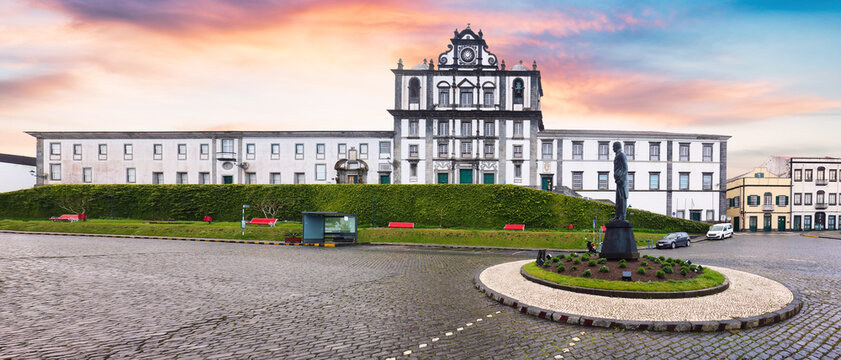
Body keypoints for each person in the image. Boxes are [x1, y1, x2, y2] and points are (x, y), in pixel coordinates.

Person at [613, 141, 629, 221]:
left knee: (622, 198)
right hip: (618, 180)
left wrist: (621, 179)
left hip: (622, 181)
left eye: (613, 146)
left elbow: (626, 168)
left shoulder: (622, 155)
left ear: (617, 147)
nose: (612, 148)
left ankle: (622, 216)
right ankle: (617, 216)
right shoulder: (617, 156)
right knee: (618, 199)